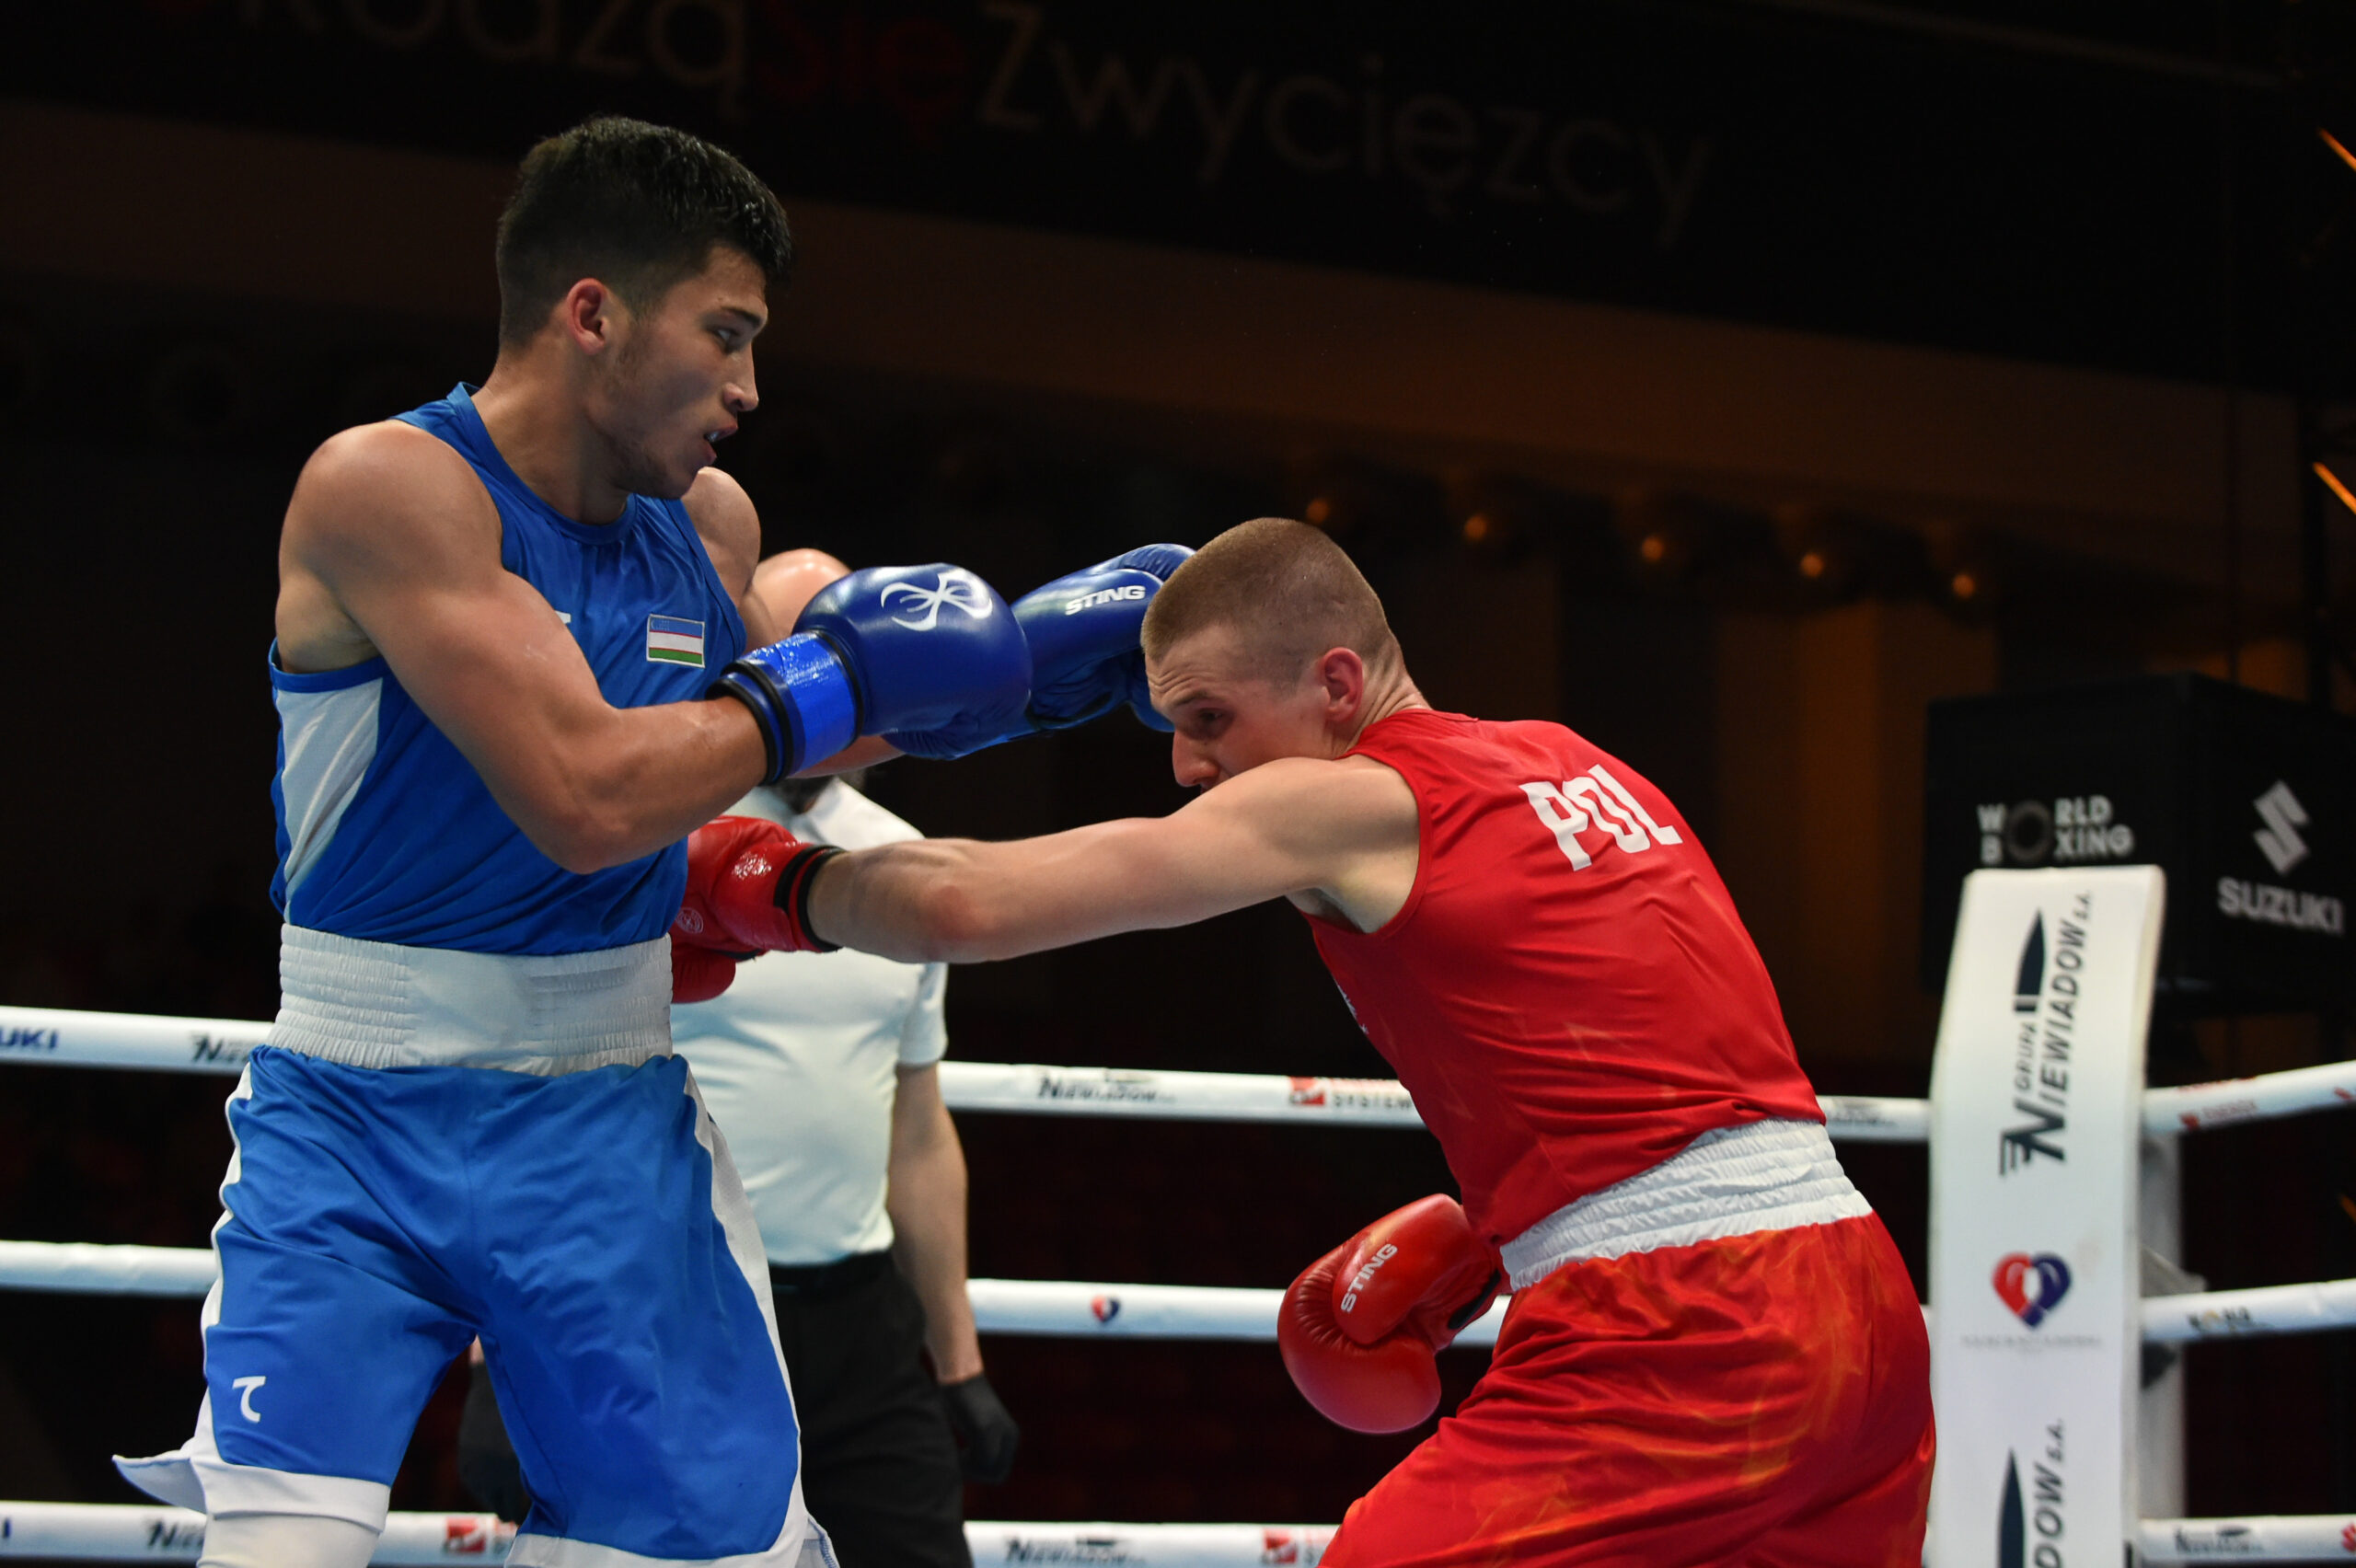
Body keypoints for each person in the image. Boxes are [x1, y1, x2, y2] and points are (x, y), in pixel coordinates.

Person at [114, 116, 1161, 1568]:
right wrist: (832, 686)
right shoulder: (391, 486)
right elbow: (589, 792)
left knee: (691, 1556)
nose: (747, 389)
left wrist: (1025, 671)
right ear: (592, 314)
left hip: (606, 1109)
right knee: (282, 1552)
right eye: (726, 335)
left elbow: (784, 733)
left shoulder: (708, 526)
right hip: (360, 1110)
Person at [692, 517, 1935, 1568]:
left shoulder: (1343, 800)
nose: (1188, 764)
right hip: (1862, 1303)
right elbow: (1664, 1065)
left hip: (1688, 1327)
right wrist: (1512, 1235)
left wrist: (754, 875)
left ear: (1338, 687)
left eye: (1211, 717)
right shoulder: (1578, 764)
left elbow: (970, 905)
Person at [456, 550, 1019, 1568]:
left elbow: (916, 1130)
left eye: (849, 660)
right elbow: (537, 1089)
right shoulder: (640, 836)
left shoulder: (910, 865)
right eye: (802, 652)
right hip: (666, 1303)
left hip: (860, 1320)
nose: (827, 683)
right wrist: (500, 1347)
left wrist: (958, 1358)